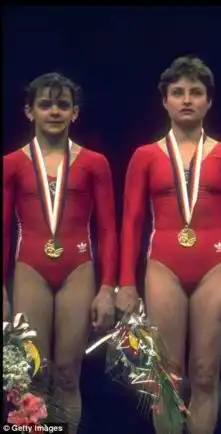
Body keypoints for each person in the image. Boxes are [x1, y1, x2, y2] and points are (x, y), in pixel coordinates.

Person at [116, 56, 221, 434]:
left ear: (209, 101)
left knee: (206, 373)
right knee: (167, 373)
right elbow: (131, 223)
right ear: (164, 101)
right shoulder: (145, 156)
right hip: (163, 266)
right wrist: (125, 282)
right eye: (178, 93)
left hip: (216, 267)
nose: (187, 99)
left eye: (196, 92)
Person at [2, 73, 118, 433]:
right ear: (29, 111)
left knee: (68, 373)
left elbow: (108, 229)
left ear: (75, 112)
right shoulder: (11, 164)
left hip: (77, 270)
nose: (54, 111)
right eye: (45, 104)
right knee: (32, 372)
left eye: (62, 105)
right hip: (30, 269)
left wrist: (107, 288)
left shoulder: (94, 163)